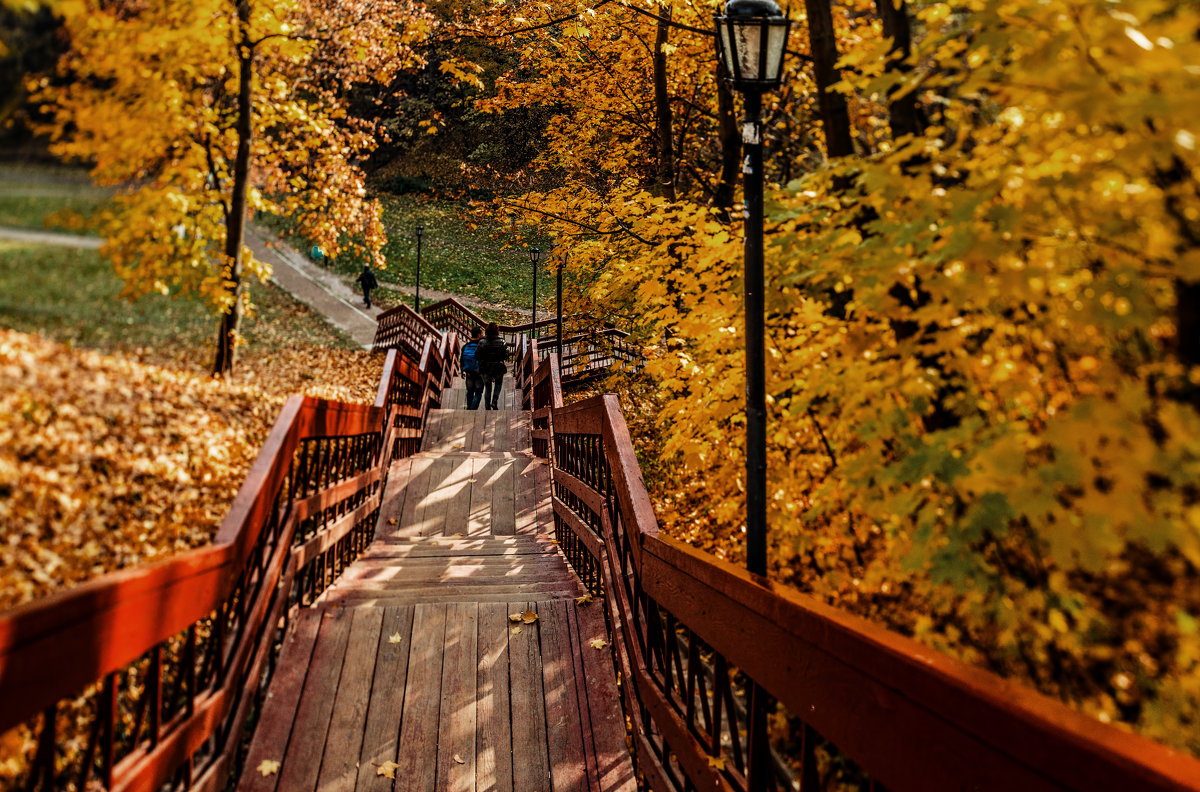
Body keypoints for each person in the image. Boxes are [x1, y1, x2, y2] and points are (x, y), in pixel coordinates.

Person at [477, 322, 510, 411]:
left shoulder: (482, 342)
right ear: (497, 331)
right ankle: (495, 400)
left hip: (485, 367)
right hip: (498, 367)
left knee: (487, 388)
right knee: (498, 384)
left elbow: (477, 356)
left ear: (487, 331)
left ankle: (487, 407)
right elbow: (506, 356)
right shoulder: (502, 342)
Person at [461, 326, 485, 410]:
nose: (483, 334)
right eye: (482, 333)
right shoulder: (482, 346)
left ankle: (469, 408)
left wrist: (462, 370)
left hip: (469, 373)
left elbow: (462, 359)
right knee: (478, 393)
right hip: (479, 373)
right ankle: (472, 411)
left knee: (470, 392)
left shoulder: (465, 346)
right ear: (478, 335)